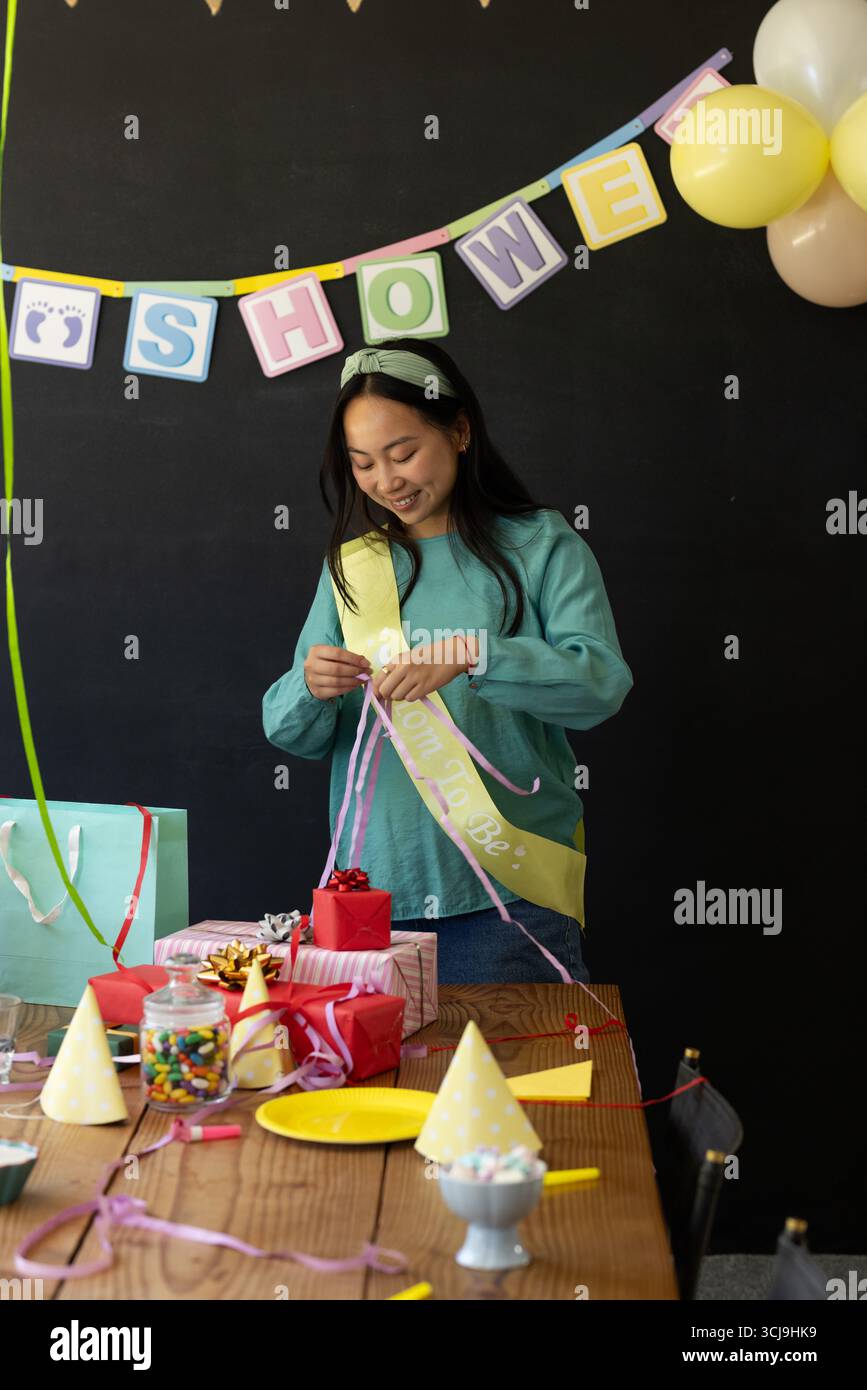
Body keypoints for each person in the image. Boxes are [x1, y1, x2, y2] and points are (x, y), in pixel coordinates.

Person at [262, 337, 633, 984]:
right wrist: (310, 687)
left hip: (508, 892)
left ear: (459, 431)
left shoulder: (540, 545)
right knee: (378, 1086)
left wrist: (474, 656)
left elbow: (599, 685)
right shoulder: (355, 565)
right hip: (371, 897)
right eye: (363, 464)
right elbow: (289, 731)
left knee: (517, 1085)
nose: (386, 480)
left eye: (404, 453)